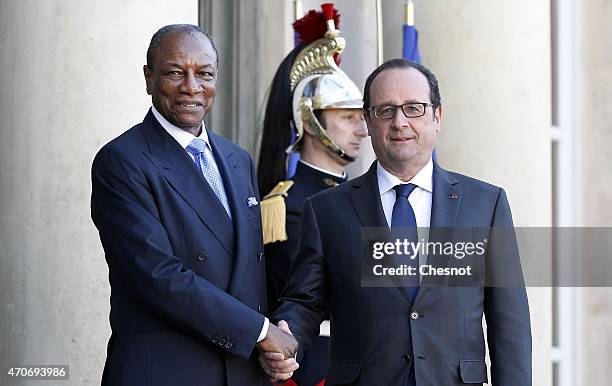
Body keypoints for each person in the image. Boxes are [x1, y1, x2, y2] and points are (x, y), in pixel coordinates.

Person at [260, 59, 532, 385]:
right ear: (369, 121)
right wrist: (287, 333)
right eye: (385, 111)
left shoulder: (485, 205)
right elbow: (304, 303)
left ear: (437, 117)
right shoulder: (326, 210)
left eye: (414, 108)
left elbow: (509, 325)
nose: (399, 122)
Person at [91, 24, 298, 386]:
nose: (192, 87)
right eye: (175, 73)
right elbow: (159, 278)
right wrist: (261, 332)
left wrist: (278, 335)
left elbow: (250, 271)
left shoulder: (237, 159)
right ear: (148, 78)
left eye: (204, 74)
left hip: (241, 371)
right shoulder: (122, 161)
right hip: (167, 373)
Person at [257, 4, 367, 385]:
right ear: (310, 120)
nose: (362, 129)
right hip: (316, 368)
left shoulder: (364, 196)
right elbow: (305, 301)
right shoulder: (284, 207)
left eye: (361, 117)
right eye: (347, 117)